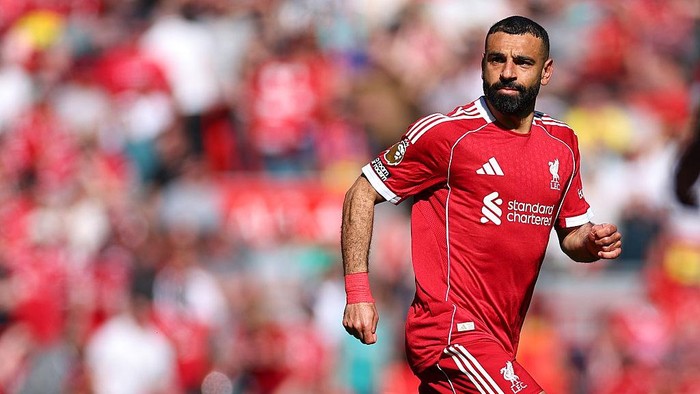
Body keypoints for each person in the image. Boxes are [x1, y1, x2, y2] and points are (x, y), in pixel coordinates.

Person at [341, 16, 622, 394]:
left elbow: (571, 235)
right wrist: (358, 293)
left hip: (501, 340)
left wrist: (590, 242)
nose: (507, 72)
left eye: (522, 63)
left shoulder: (562, 142)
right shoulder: (448, 134)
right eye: (496, 60)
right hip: (448, 331)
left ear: (546, 71)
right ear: (482, 64)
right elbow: (362, 191)